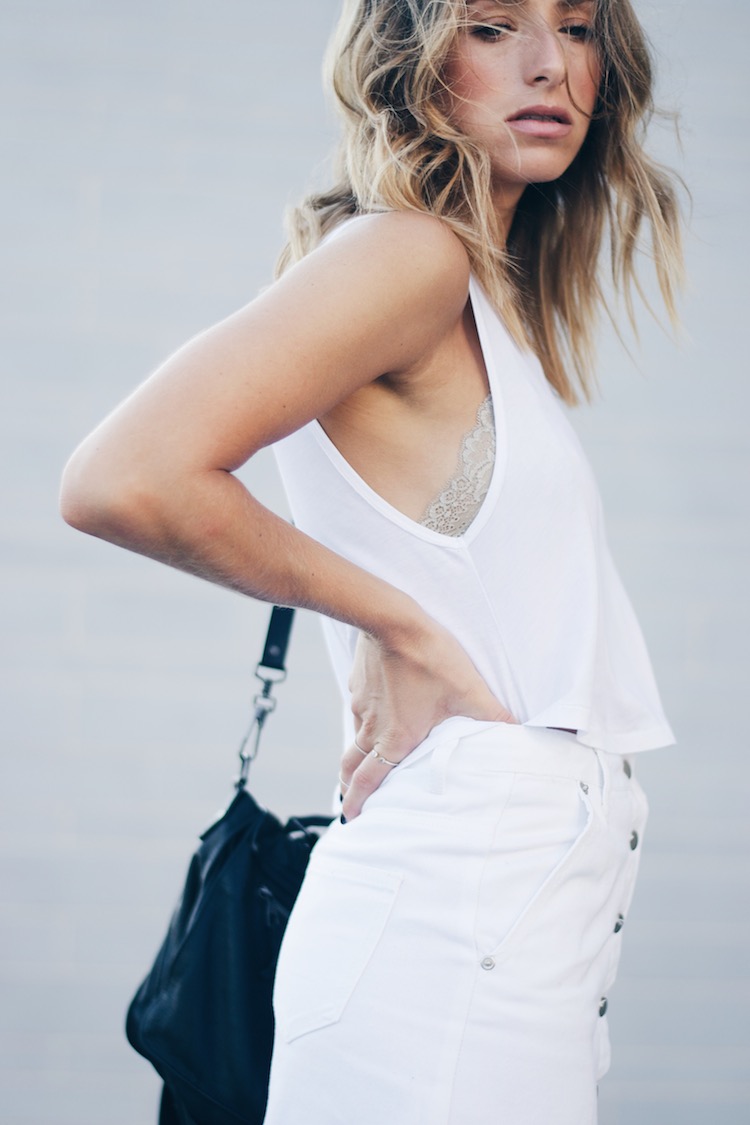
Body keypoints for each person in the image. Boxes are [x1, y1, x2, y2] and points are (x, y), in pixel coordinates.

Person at [60, 0, 684, 1121]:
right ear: (412, 58)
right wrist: (400, 625)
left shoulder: (476, 291)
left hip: (506, 934)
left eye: (581, 27)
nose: (552, 65)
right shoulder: (411, 256)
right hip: (449, 940)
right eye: (495, 26)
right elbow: (123, 477)